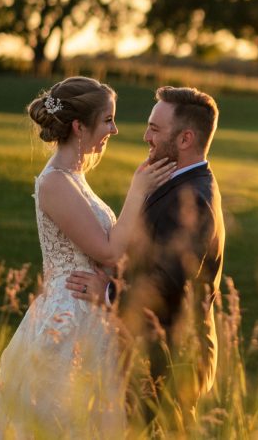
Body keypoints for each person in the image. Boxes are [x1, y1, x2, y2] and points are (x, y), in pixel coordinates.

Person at [0, 77, 176, 439]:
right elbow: (108, 249)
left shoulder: (76, 178)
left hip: (91, 313)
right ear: (79, 126)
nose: (114, 129)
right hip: (66, 322)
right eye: (108, 120)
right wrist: (138, 189)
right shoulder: (54, 182)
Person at [68, 85, 225, 410]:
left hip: (168, 364)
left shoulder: (193, 197)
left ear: (185, 139)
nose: (146, 137)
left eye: (154, 129)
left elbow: (168, 284)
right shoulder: (175, 182)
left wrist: (109, 292)